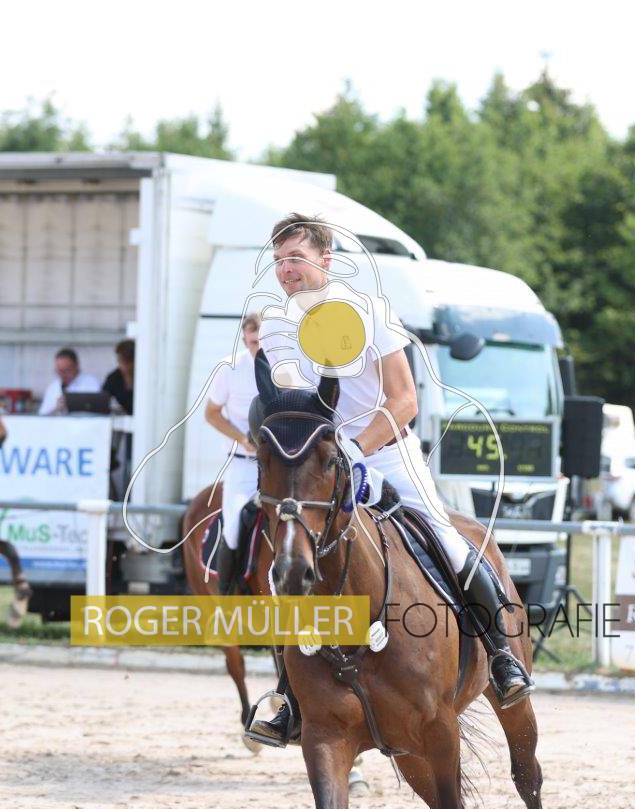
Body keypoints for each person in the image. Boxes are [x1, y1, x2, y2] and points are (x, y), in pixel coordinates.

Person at [248, 213, 533, 746]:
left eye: (296, 259)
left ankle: (500, 657)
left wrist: (357, 448)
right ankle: (289, 696)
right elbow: (291, 404)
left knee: (450, 542)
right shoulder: (276, 327)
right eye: (279, 261)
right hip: (319, 467)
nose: (286, 270)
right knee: (283, 567)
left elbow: (404, 399)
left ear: (325, 260)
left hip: (386, 454)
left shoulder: (370, 311)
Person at [203, 314, 262, 593]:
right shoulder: (230, 369)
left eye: (262, 342)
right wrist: (241, 439)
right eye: (253, 343)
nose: (258, 349)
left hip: (280, 465)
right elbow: (212, 414)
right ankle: (228, 594)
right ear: (244, 340)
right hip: (244, 465)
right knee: (234, 526)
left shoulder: (285, 368)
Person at [38, 348, 100, 415]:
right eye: (59, 371)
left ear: (76, 366)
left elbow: (97, 410)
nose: (62, 375)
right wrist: (57, 409)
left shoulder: (90, 382)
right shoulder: (53, 387)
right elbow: (42, 416)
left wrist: (72, 404)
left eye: (67, 371)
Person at [102, 339, 135, 415]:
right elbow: (102, 400)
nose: (123, 366)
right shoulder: (114, 377)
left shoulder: (144, 377)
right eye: (120, 361)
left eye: (127, 362)